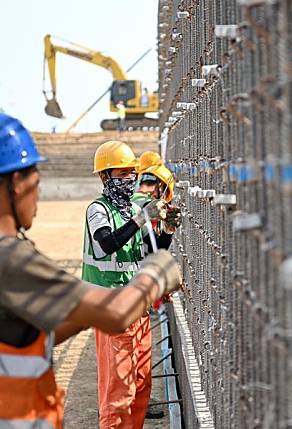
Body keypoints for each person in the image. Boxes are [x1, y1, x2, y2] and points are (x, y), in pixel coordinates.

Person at [0, 111, 183, 429]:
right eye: (36, 177)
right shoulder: (7, 257)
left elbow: (25, 337)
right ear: (16, 182)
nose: (38, 191)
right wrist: (158, 274)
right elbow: (116, 312)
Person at [83, 141, 175, 428]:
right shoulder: (97, 210)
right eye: (121, 174)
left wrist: (168, 232)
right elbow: (107, 244)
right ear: (104, 176)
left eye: (130, 173)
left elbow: (149, 251)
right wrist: (140, 218)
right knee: (118, 391)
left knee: (139, 385)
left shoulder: (133, 207)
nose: (128, 179)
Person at [131, 163, 181, 420]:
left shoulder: (142, 208)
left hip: (138, 291)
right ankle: (122, 407)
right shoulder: (138, 203)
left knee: (139, 352)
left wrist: (169, 232)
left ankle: (136, 403)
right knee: (129, 355)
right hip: (127, 292)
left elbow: (153, 248)